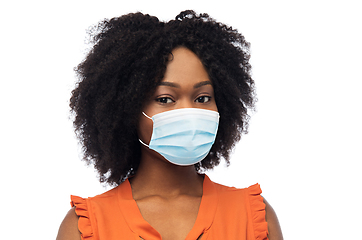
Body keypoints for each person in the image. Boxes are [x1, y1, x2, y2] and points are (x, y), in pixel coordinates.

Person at [57, 10, 283, 240]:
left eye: (202, 98)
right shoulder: (86, 227)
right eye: (165, 99)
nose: (188, 112)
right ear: (127, 108)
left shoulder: (254, 218)